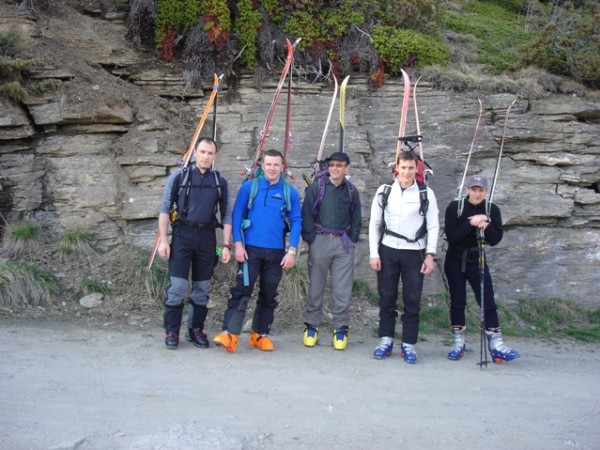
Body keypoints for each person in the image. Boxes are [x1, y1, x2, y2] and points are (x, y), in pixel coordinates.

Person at [213, 149, 302, 353]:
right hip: (249, 250)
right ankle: (230, 334)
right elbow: (236, 216)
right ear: (262, 166)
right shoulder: (249, 188)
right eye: (268, 164)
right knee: (241, 290)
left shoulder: (290, 193)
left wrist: (292, 250)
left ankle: (259, 335)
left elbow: (296, 221)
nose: (272, 168)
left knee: (269, 293)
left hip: (276, 252)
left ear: (282, 167)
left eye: (276, 164)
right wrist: (238, 244)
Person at [158, 137, 232, 350]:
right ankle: (172, 330)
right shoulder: (179, 176)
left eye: (210, 153)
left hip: (207, 237)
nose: (206, 156)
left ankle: (195, 329)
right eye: (202, 152)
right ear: (194, 153)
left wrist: (226, 245)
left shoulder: (220, 180)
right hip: (182, 234)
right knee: (178, 286)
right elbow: (165, 208)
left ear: (215, 156)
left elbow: (226, 214)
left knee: (202, 288)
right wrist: (163, 240)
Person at [368, 151, 439, 363]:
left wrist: (430, 255)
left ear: (417, 169)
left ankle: (408, 343)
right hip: (388, 249)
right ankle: (386, 339)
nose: (407, 172)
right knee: (387, 297)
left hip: (414, 252)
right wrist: (374, 253)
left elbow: (433, 225)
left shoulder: (426, 193)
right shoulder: (385, 191)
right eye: (403, 167)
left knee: (412, 299)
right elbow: (374, 224)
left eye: (411, 168)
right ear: (396, 168)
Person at [443, 174, 519, 362]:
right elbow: (453, 237)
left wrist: (485, 225)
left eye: (481, 190)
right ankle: (458, 342)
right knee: (458, 300)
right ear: (467, 190)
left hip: (478, 257)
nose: (477, 194)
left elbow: (495, 239)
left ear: (486, 191)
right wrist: (471, 223)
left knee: (487, 300)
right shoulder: (455, 207)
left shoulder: (492, 209)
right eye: (473, 189)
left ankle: (496, 344)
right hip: (455, 257)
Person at [301, 152, 362, 350]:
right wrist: (311, 240)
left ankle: (340, 329)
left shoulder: (352, 191)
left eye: (339, 165)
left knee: (342, 289)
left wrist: (352, 240)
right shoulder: (316, 187)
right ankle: (311, 326)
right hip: (320, 241)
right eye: (332, 165)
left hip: (343, 244)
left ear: (347, 168)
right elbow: (307, 214)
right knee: (316, 287)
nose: (334, 168)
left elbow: (356, 219)